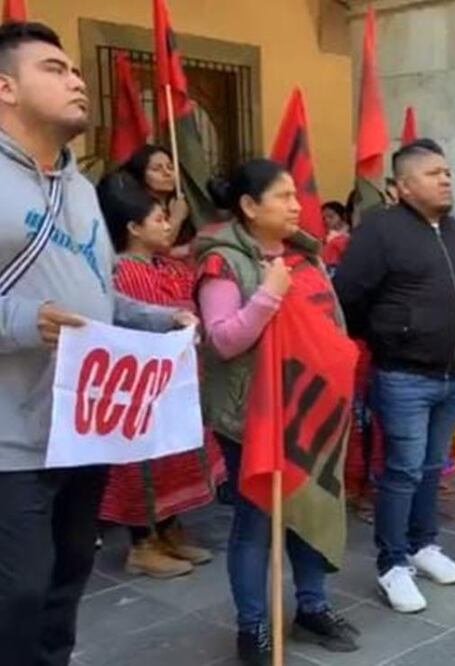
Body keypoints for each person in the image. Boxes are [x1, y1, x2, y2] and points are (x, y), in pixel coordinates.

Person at [0, 22, 196, 666]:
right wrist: (24, 321)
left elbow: (99, 294)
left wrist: (153, 318)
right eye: (54, 69)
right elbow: (37, 310)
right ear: (5, 87)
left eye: (77, 69)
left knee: (65, 582)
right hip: (9, 441)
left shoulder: (83, 191)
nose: (77, 79)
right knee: (17, 594)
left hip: (81, 431)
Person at [197, 159, 359, 662]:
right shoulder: (223, 263)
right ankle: (253, 626)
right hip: (254, 419)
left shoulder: (304, 256)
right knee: (257, 523)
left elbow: (332, 323)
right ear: (249, 207)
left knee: (310, 509)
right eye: (283, 197)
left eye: (296, 196)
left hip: (311, 411)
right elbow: (223, 339)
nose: (296, 205)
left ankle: (312, 607)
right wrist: (269, 294)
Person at [334, 139, 455, 614]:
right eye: (434, 173)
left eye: (447, 172)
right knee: (401, 471)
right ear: (403, 185)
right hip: (402, 376)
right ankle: (393, 564)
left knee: (431, 469)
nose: (446, 179)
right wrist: (389, 335)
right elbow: (348, 297)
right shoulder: (380, 231)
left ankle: (423, 544)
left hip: (451, 376)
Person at [96, 172, 224, 579]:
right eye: (159, 220)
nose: (168, 225)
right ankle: (141, 545)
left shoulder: (164, 265)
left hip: (176, 384)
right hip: (141, 390)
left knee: (172, 459)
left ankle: (168, 531)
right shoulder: (122, 273)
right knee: (141, 466)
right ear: (133, 228)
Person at [122, 144, 192, 249]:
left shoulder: (179, 201)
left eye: (170, 167)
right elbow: (159, 247)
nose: (167, 173)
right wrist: (177, 218)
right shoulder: (138, 210)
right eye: (156, 169)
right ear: (141, 174)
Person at [320, 200, 349, 271]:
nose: (327, 221)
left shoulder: (349, 236)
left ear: (343, 216)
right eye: (323, 218)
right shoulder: (323, 237)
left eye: (331, 216)